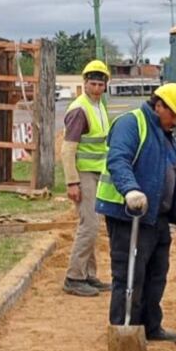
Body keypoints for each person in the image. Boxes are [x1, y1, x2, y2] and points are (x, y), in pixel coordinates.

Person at [95, 83, 176, 341]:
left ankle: (150, 327)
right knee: (130, 275)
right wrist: (130, 190)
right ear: (159, 106)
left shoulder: (164, 133)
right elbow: (118, 160)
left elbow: (172, 170)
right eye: (175, 116)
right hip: (128, 215)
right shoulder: (131, 124)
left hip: (156, 216)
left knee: (157, 274)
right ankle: (125, 335)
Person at [62, 59, 113, 297]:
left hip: (96, 172)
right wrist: (72, 182)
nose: (96, 88)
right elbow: (67, 149)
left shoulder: (99, 105)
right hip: (82, 173)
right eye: (92, 84)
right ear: (84, 83)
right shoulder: (80, 109)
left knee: (93, 224)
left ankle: (88, 275)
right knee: (89, 224)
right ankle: (74, 277)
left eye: (100, 84)